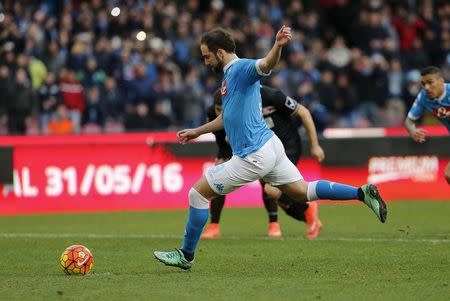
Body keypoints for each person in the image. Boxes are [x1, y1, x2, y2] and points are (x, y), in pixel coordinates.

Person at [154, 26, 387, 270]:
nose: (205, 61)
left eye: (207, 56)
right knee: (301, 191)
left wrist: (278, 45)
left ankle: (186, 255)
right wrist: (197, 131)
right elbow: (227, 118)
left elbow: (265, 65)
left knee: (197, 194)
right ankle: (361, 193)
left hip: (252, 154)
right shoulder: (230, 78)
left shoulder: (239, 69)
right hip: (270, 145)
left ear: (220, 53)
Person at [201, 85, 325, 239]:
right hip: (259, 146)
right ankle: (214, 226)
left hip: (286, 145)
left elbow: (304, 113)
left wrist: (315, 145)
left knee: (272, 189)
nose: (221, 114)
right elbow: (223, 137)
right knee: (220, 173)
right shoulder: (232, 105)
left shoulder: (270, 95)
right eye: (218, 110)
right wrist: (224, 155)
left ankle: (304, 209)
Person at [404, 66, 450, 185]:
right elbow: (409, 121)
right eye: (423, 84)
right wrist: (412, 130)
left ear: (441, 81)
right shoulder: (423, 97)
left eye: (430, 82)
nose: (426, 87)